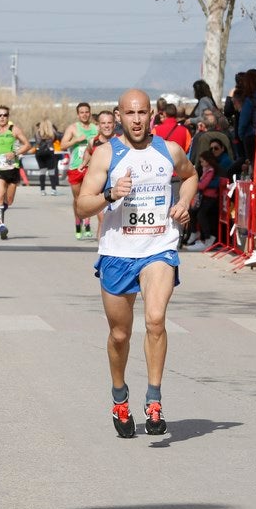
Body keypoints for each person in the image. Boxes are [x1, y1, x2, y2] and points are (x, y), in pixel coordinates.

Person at [76, 88, 198, 438]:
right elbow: (82, 206)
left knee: (156, 320)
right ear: (119, 116)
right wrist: (109, 194)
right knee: (119, 334)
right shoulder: (105, 155)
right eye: (130, 114)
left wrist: (184, 202)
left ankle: (154, 398)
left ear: (151, 115)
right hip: (117, 252)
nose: (137, 120)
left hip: (159, 247)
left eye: (142, 113)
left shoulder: (168, 151)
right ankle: (119, 396)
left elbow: (189, 177)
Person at [0, 105, 32, 240]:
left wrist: (14, 152)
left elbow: (27, 145)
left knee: (8, 201)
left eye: (4, 115)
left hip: (12, 168)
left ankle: (1, 208)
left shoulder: (14, 129)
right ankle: (1, 226)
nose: (2, 117)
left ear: (8, 116)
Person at [61, 103, 100, 239]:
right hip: (75, 167)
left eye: (87, 112)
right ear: (78, 114)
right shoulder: (73, 128)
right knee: (77, 199)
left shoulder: (96, 128)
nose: (84, 114)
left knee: (89, 197)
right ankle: (78, 223)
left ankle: (88, 223)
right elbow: (62, 145)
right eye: (81, 112)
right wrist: (76, 140)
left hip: (91, 167)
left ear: (90, 113)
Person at [34, 118, 60, 196]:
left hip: (39, 153)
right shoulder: (52, 133)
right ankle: (53, 190)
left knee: (42, 171)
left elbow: (37, 142)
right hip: (49, 152)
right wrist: (52, 130)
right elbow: (57, 137)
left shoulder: (38, 133)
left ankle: (42, 190)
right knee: (51, 172)